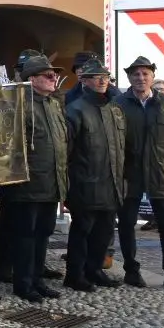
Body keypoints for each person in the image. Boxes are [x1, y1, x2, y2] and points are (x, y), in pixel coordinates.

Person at [111, 55, 164, 285]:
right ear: (129, 77)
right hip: (129, 173)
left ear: (152, 77)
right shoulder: (118, 105)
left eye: (145, 74)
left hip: (161, 173)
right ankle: (131, 270)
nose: (141, 78)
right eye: (136, 74)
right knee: (127, 223)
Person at [0, 55, 68, 303]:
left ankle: (37, 279)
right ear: (32, 80)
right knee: (26, 237)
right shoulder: (19, 105)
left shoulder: (52, 104)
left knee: (42, 235)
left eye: (54, 75)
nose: (53, 79)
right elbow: (8, 147)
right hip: (28, 186)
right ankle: (24, 283)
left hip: (50, 183)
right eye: (47, 75)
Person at [63, 58, 126, 293]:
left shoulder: (114, 109)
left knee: (105, 231)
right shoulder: (75, 110)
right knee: (82, 231)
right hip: (85, 183)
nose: (102, 81)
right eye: (96, 77)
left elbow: (120, 148)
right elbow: (66, 152)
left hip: (111, 183)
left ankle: (95, 270)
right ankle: (75, 274)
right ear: (84, 81)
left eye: (106, 77)